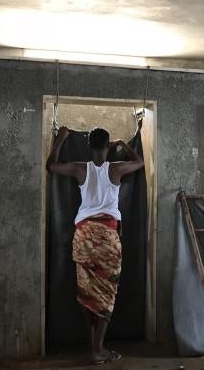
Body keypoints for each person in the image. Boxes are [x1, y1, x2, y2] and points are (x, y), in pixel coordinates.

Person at [46, 126, 143, 364]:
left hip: (84, 236)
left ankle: (93, 347)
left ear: (89, 146)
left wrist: (60, 140)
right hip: (108, 238)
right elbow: (139, 162)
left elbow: (51, 166)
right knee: (107, 294)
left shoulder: (80, 168)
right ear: (107, 145)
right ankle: (98, 349)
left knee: (86, 292)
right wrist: (123, 144)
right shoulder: (117, 169)